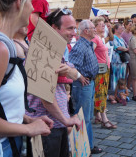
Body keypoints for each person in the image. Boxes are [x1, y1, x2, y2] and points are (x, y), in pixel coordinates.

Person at [0, 0, 53, 157]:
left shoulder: (5, 44)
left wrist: (26, 119)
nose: (33, 8)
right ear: (19, 2)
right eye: (31, 2)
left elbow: (0, 103)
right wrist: (28, 129)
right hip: (0, 147)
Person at [27, 8, 82, 157]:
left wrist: (70, 72)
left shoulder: (56, 48)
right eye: (69, 28)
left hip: (57, 124)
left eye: (75, 28)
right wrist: (66, 120)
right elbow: (45, 97)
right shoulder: (44, 49)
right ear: (54, 28)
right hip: (47, 125)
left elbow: (73, 73)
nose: (74, 33)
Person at [68, 20, 103, 155]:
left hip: (89, 83)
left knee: (87, 116)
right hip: (83, 85)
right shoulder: (80, 46)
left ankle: (87, 144)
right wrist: (80, 77)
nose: (95, 30)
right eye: (93, 28)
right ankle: (84, 146)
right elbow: (71, 65)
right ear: (86, 31)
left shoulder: (87, 44)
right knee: (84, 117)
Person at [92, 17, 117, 129]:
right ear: (95, 27)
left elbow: (110, 38)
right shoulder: (95, 39)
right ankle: (104, 118)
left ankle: (97, 116)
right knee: (101, 94)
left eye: (103, 24)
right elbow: (90, 53)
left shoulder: (101, 38)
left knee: (101, 93)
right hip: (100, 70)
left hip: (105, 68)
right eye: (100, 24)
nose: (103, 26)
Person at [110, 23, 128, 91]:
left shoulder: (121, 38)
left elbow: (125, 45)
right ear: (116, 29)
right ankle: (116, 91)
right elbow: (117, 47)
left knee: (122, 76)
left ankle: (121, 91)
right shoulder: (113, 37)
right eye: (120, 28)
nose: (122, 29)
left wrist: (127, 48)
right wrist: (126, 49)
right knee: (116, 76)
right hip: (116, 60)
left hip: (123, 59)